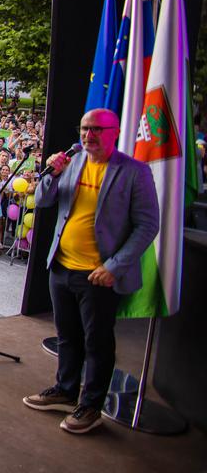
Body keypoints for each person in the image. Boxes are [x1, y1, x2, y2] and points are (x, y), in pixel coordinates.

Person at [23, 109, 159, 434]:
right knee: (68, 336)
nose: (89, 135)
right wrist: (52, 174)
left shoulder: (134, 172)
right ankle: (66, 390)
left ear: (115, 132)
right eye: (85, 128)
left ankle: (91, 406)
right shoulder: (71, 163)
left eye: (97, 129)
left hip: (98, 275)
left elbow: (147, 225)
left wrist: (114, 266)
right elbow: (42, 201)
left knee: (97, 342)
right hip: (62, 266)